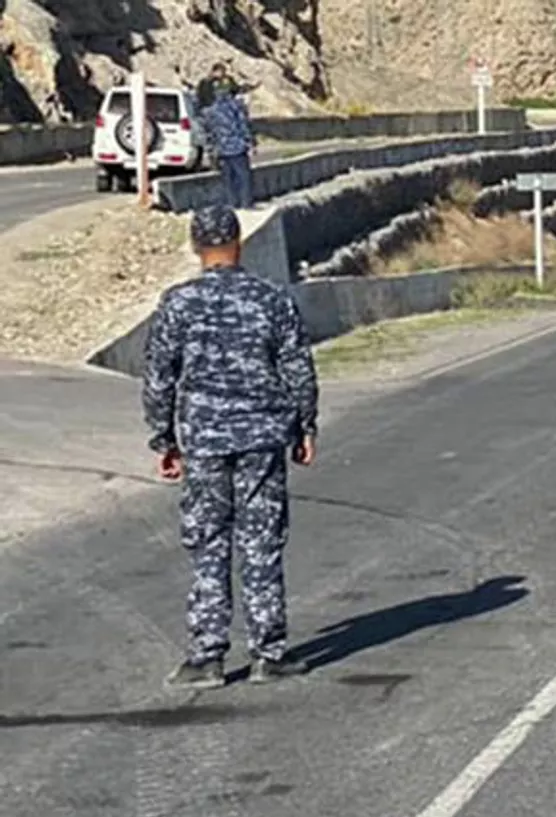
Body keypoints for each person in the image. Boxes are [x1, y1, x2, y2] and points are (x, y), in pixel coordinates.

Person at [143, 205, 319, 689]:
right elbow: (297, 367)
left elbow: (159, 376)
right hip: (262, 436)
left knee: (208, 541)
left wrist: (164, 438)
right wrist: (305, 426)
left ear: (196, 246)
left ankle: (207, 656)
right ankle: (268, 652)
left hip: (204, 438)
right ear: (238, 243)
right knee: (262, 541)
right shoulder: (270, 298)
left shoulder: (178, 303)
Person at [202, 84, 255, 209]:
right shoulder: (236, 107)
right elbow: (243, 125)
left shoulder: (210, 111)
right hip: (237, 147)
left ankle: (232, 203)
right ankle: (245, 203)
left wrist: (211, 150)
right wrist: (250, 142)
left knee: (228, 179)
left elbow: (209, 132)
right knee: (244, 177)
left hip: (222, 149)